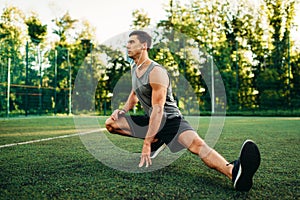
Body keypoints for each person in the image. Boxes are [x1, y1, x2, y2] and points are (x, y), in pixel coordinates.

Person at [105, 30, 260, 192]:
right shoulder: (134, 69)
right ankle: (158, 140)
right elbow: (134, 93)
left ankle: (233, 172)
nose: (127, 45)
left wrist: (146, 143)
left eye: (131, 42)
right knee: (111, 124)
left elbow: (158, 109)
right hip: (151, 119)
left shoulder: (156, 72)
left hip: (170, 120)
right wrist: (122, 110)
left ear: (144, 45)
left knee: (197, 145)